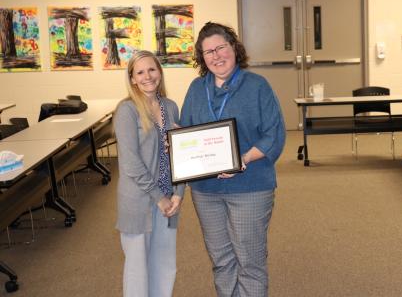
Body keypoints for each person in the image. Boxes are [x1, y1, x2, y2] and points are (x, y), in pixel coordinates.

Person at [180, 22, 286, 297]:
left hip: (250, 185)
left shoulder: (257, 85)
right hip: (206, 191)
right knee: (221, 260)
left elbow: (273, 133)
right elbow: (186, 134)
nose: (215, 56)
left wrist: (243, 158)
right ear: (201, 58)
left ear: (234, 48)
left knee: (249, 260)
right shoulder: (195, 89)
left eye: (220, 48)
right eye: (208, 52)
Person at [114, 50, 185, 297]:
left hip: (169, 200)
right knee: (138, 270)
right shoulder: (127, 110)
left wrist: (178, 194)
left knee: (165, 265)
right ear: (132, 78)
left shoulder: (171, 107)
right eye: (140, 72)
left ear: (160, 72)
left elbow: (182, 152)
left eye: (152, 70)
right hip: (140, 201)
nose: (147, 76)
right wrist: (160, 197)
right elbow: (131, 163)